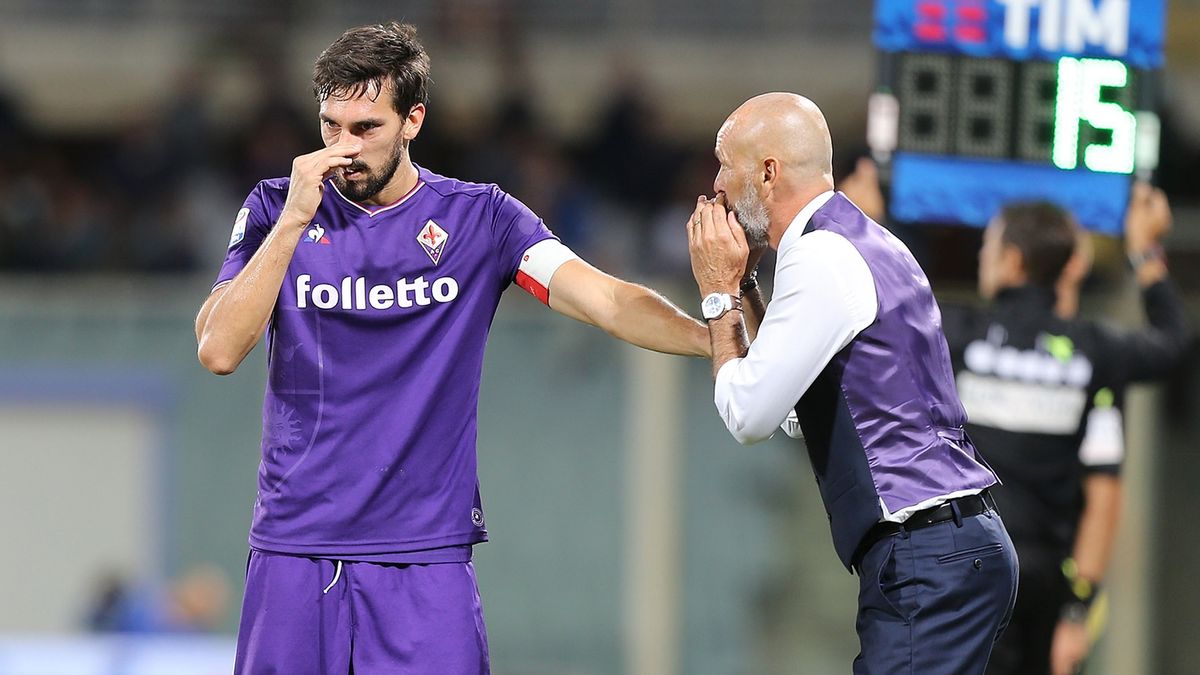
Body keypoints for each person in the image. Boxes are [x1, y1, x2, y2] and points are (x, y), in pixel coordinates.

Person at [193, 22, 709, 675]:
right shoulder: (276, 209)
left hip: (424, 555)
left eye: (366, 128)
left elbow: (603, 298)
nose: (343, 147)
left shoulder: (481, 220)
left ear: (413, 120)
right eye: (330, 126)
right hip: (296, 548)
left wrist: (712, 339)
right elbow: (218, 349)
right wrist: (295, 220)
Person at [685, 92, 1018, 674]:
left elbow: (748, 413)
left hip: (925, 554)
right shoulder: (863, 243)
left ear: (767, 172)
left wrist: (717, 293)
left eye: (724, 164)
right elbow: (796, 408)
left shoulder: (820, 259)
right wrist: (749, 289)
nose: (715, 185)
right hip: (952, 545)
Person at [942, 191, 1190, 675]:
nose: (980, 256)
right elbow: (1173, 343)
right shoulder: (1095, 350)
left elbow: (871, 316)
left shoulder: (955, 334)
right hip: (1044, 584)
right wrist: (1144, 251)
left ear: (1012, 261)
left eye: (989, 247)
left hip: (962, 572)